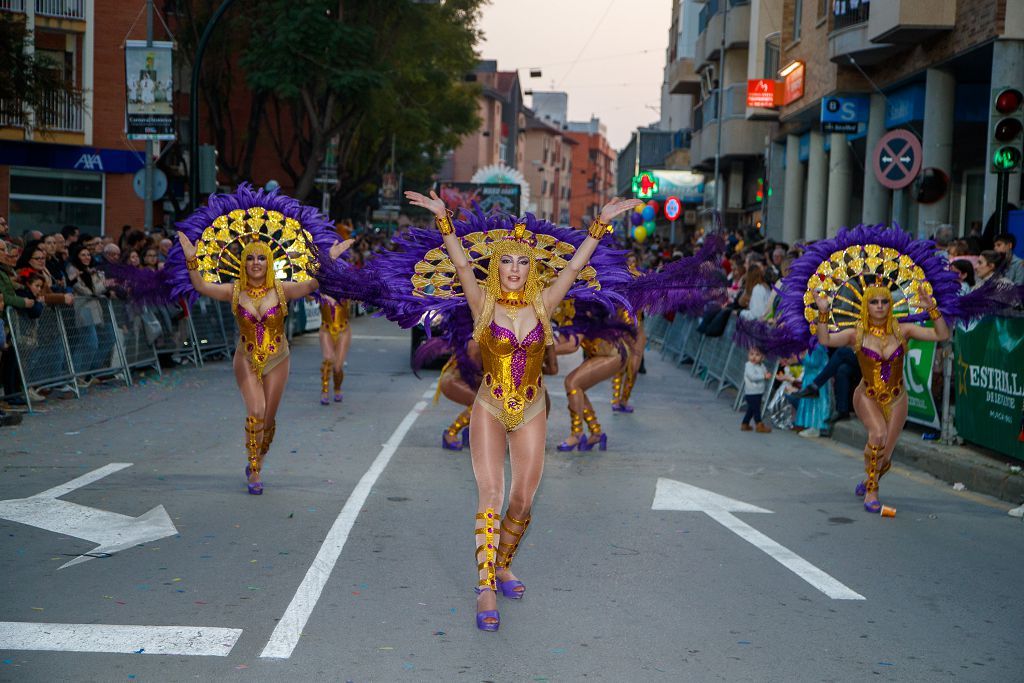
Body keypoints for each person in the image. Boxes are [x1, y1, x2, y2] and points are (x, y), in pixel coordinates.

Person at [404, 189, 640, 632]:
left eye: (522, 262)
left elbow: (572, 268)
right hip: (490, 406)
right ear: (497, 266)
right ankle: (485, 587)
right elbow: (459, 265)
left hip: (531, 408)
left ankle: (503, 564)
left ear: (532, 268)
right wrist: (444, 220)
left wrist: (600, 223)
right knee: (491, 496)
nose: (514, 269)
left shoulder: (543, 305)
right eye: (507, 262)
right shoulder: (483, 304)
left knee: (523, 500)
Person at [174, 193, 350, 495]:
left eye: (262, 258)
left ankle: (259, 455)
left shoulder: (282, 290)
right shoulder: (233, 290)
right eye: (251, 258)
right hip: (245, 357)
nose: (256, 263)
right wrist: (192, 258)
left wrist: (329, 261)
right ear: (243, 262)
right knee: (255, 410)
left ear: (269, 262)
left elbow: (311, 284)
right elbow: (201, 285)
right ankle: (254, 470)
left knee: (268, 418)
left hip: (278, 358)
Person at [813, 285, 949, 513]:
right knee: (877, 434)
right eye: (874, 302)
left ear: (891, 305)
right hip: (867, 395)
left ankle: (869, 478)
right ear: (866, 305)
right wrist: (823, 311)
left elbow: (942, 335)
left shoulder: (902, 330)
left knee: (885, 456)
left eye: (884, 302)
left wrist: (932, 309)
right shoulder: (856, 333)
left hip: (897, 399)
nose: (879, 306)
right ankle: (872, 491)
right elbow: (825, 340)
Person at [318, 296, 351, 405]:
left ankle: (337, 388)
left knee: (337, 367)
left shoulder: (346, 288)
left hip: (343, 330)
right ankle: (325, 391)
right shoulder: (320, 287)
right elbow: (308, 295)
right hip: (326, 329)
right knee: (328, 359)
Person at [740, 347, 771, 433]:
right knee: (756, 409)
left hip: (759, 391)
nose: (753, 357)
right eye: (751, 354)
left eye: (757, 355)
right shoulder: (749, 365)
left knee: (751, 409)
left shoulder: (761, 366)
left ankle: (745, 423)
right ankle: (759, 424)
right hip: (751, 392)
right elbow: (752, 377)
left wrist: (767, 375)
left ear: (762, 357)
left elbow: (764, 373)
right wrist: (764, 376)